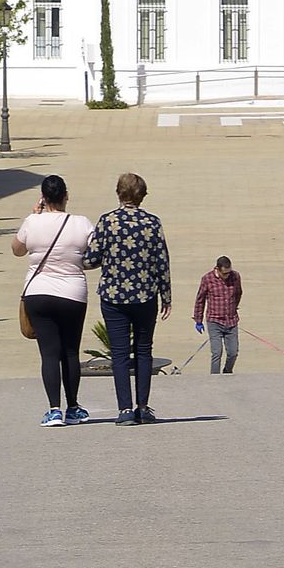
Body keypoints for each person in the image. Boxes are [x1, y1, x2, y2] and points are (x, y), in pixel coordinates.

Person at [83, 171, 171, 425]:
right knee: (144, 351)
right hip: (145, 295)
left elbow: (91, 260)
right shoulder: (152, 223)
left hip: (114, 296)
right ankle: (143, 406)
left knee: (119, 354)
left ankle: (124, 410)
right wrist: (166, 295)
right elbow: (161, 261)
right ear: (142, 196)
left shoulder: (108, 222)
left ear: (119, 193)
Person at [11, 175, 93, 427]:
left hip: (39, 292)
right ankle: (74, 407)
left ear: (43, 198)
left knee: (49, 353)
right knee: (70, 351)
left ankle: (54, 410)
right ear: (66, 196)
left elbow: (17, 249)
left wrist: (34, 214)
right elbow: (94, 255)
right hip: (73, 293)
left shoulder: (32, 222)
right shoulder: (81, 223)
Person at [193, 255, 243, 374]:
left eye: (229, 273)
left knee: (233, 352)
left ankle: (227, 372)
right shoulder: (207, 279)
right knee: (217, 352)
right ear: (217, 269)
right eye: (224, 273)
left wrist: (233, 307)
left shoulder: (235, 276)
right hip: (214, 321)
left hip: (231, 321)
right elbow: (200, 299)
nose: (227, 276)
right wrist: (198, 320)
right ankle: (214, 378)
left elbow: (238, 293)